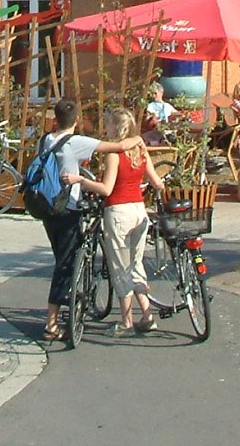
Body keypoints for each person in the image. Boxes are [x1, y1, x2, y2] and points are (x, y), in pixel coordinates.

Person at [35, 97, 144, 342]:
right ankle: (51, 322)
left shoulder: (44, 140)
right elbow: (116, 147)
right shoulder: (75, 142)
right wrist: (137, 138)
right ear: (75, 120)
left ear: (55, 119)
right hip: (68, 208)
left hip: (47, 208)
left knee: (61, 257)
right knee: (65, 264)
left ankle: (67, 299)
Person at [61, 108, 164, 336]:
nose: (104, 128)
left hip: (119, 212)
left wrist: (81, 181)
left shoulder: (113, 155)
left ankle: (126, 321)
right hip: (139, 211)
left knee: (120, 268)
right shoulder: (140, 148)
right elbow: (156, 182)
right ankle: (147, 316)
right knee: (136, 265)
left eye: (107, 124)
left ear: (114, 128)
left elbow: (107, 189)